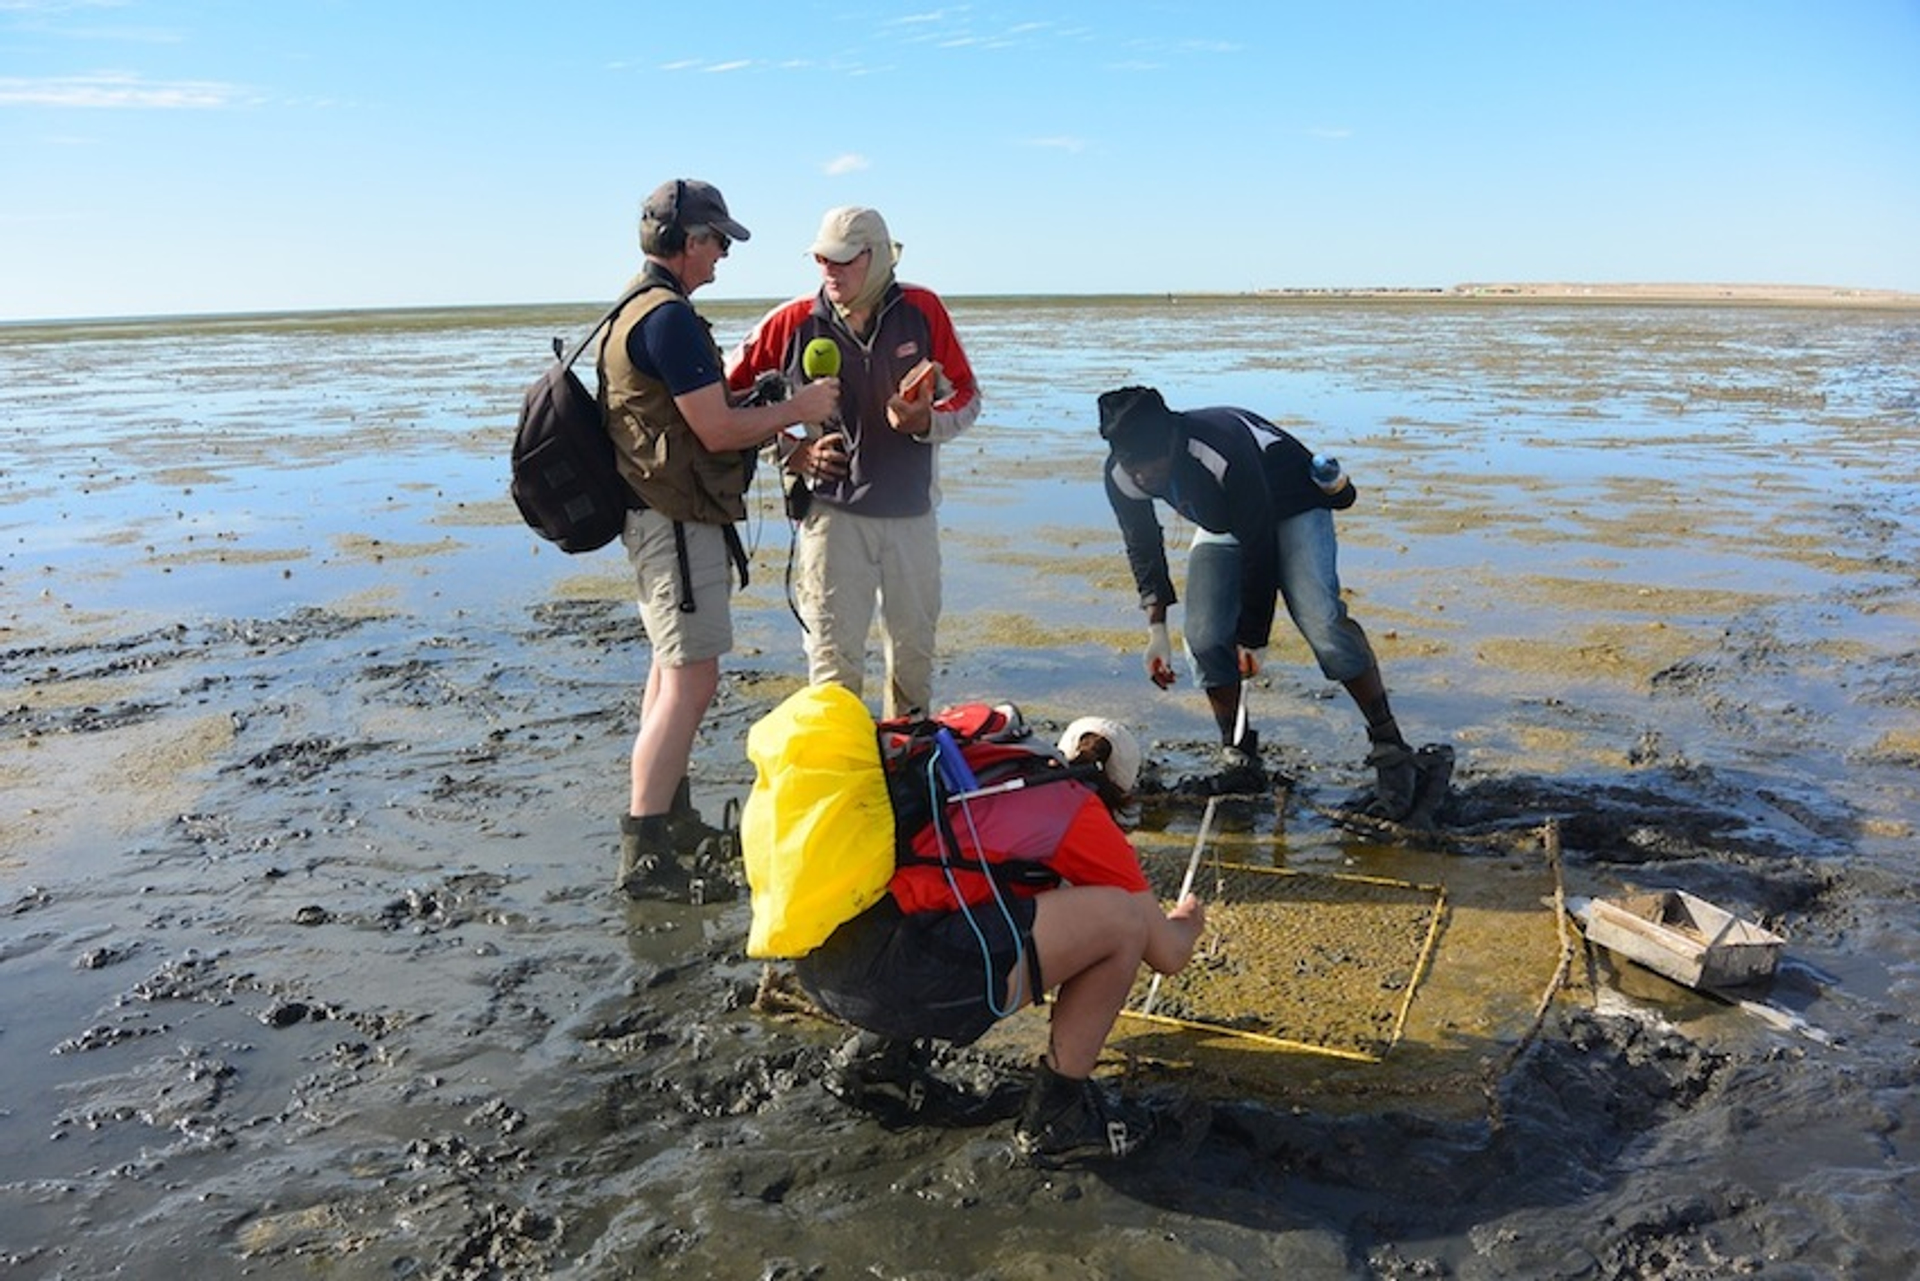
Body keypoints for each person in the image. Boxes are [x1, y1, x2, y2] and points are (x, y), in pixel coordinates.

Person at [795, 712, 1204, 1167]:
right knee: (1124, 920)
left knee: (938, 892)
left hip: (820, 965)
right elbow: (1168, 953)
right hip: (894, 980)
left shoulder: (977, 774)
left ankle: (874, 1064)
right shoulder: (1076, 808)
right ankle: (1058, 1118)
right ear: (1121, 793)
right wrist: (1188, 918)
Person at [608, 179, 839, 902]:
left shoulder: (637, 308)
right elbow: (714, 431)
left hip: (659, 515)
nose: (721, 257)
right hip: (673, 522)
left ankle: (669, 821)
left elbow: (695, 417)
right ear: (686, 241)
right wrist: (797, 408)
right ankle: (647, 851)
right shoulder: (670, 321)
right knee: (693, 678)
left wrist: (754, 400)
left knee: (669, 673)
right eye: (716, 242)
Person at [1096, 385, 1426, 817]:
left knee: (1322, 624)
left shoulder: (1219, 447)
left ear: (1171, 442)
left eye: (1149, 462)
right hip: (1221, 519)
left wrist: (1253, 636)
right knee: (1204, 638)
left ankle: (1391, 748)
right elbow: (1142, 545)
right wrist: (1156, 628)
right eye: (1131, 464)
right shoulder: (1124, 474)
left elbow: (1259, 544)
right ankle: (1240, 755)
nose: (1142, 476)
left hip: (1290, 505)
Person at [726, 206, 981, 720]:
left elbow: (967, 396)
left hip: (912, 518)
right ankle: (843, 781)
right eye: (822, 259)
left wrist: (924, 422)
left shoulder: (923, 310)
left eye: (843, 260)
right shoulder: (791, 321)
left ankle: (906, 771)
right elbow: (727, 397)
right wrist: (791, 449)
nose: (829, 270)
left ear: (879, 257)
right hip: (831, 519)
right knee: (833, 670)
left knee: (913, 662)